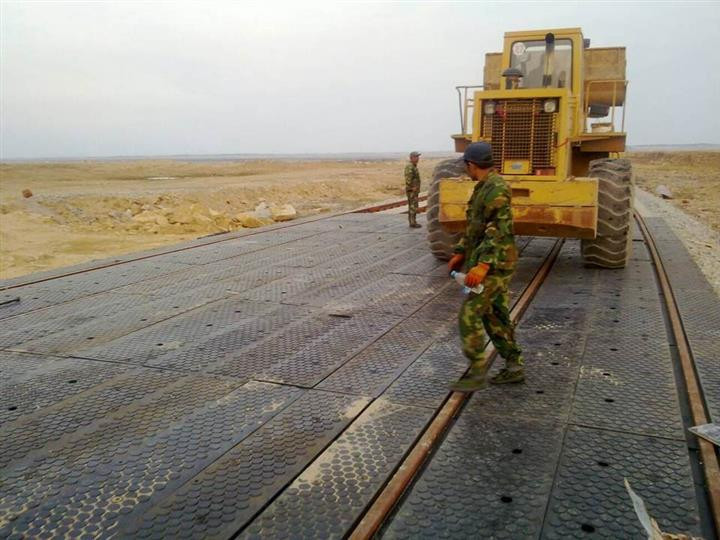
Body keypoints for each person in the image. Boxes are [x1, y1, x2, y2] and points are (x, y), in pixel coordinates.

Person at [448, 142, 524, 392]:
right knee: (495, 315)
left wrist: (482, 265)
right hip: (493, 261)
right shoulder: (484, 187)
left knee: (469, 315)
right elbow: (476, 226)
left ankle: (477, 373)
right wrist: (460, 251)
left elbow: (498, 230)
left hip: (495, 265)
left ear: (471, 164)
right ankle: (514, 367)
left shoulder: (496, 189)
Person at [404, 151, 422, 228]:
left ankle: (413, 221)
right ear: (411, 158)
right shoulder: (410, 167)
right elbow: (408, 179)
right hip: (412, 190)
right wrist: (412, 188)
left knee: (413, 206)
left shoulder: (414, 166)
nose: (417, 158)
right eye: (416, 157)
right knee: (412, 206)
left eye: (418, 157)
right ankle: (412, 223)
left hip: (414, 190)